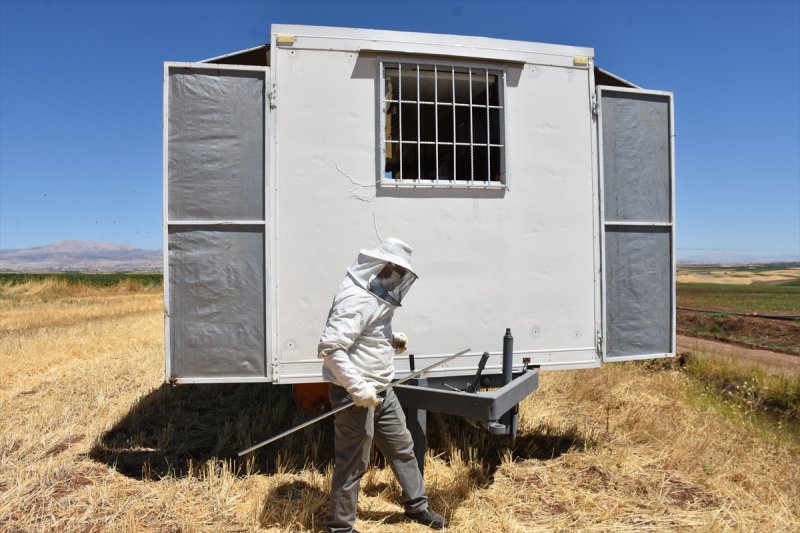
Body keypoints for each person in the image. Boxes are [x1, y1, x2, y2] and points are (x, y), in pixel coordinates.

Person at [318, 238, 448, 532]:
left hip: (381, 389)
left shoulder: (376, 296)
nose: (397, 279)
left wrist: (389, 341)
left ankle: (417, 507)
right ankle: (340, 527)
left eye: (401, 274)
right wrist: (357, 388)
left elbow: (365, 333)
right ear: (380, 267)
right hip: (355, 394)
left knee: (403, 447)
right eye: (394, 272)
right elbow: (332, 348)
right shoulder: (356, 298)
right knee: (353, 462)